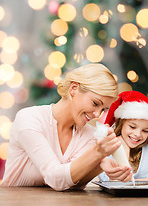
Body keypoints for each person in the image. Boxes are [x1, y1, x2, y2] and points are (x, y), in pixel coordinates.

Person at [1, 63, 122, 191]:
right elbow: (55, 178)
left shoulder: (89, 134)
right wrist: (97, 153)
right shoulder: (29, 118)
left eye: (103, 109)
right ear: (74, 88)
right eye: (95, 103)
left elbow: (72, 184)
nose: (97, 114)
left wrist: (100, 165)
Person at [98, 91, 148, 182]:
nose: (138, 134)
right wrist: (124, 151)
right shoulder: (107, 148)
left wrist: (134, 183)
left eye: (145, 131)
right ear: (121, 124)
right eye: (132, 127)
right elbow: (112, 182)